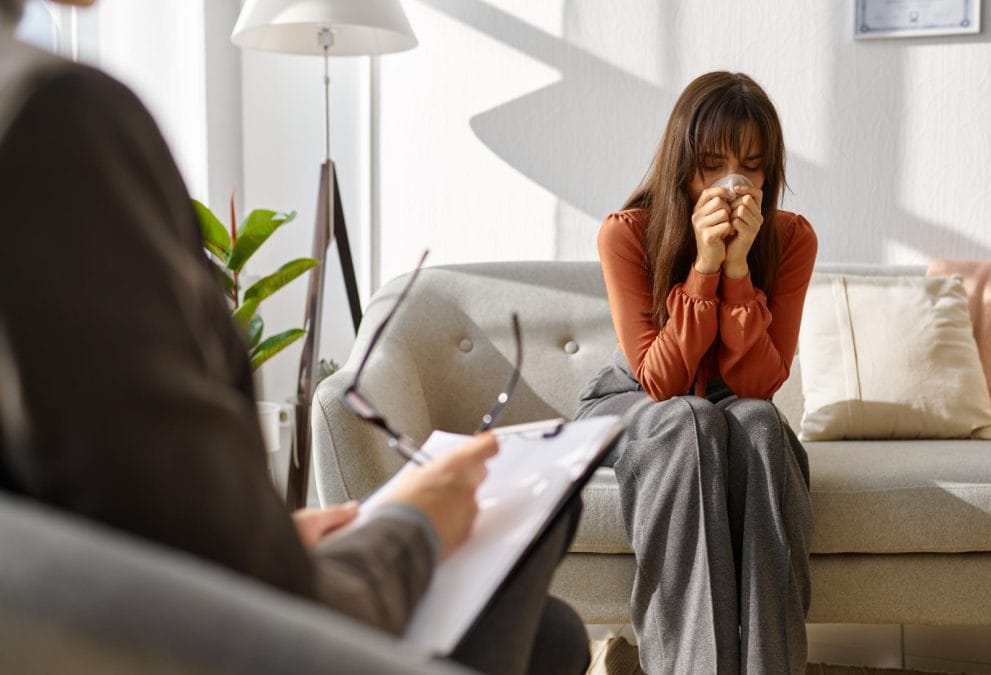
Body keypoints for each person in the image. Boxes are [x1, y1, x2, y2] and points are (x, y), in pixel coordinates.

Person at [0, 1, 588, 673]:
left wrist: (275, 533)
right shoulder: (49, 121)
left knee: (552, 630)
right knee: (537, 559)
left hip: (101, 606)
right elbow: (225, 590)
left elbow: (123, 509)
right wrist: (418, 522)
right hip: (207, 637)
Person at [575, 71, 818, 673]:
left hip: (727, 400)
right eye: (711, 165)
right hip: (635, 400)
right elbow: (659, 381)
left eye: (752, 167)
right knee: (689, 420)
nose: (732, 183)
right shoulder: (626, 233)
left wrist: (740, 268)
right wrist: (705, 265)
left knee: (761, 425)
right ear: (681, 164)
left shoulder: (789, 239)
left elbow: (761, 385)